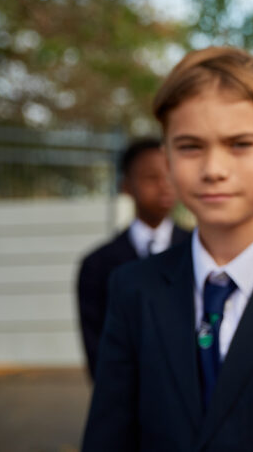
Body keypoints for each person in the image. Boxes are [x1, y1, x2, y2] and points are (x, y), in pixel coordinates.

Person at [82, 47, 253, 451]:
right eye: (190, 146)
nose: (213, 168)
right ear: (167, 160)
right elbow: (109, 436)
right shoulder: (133, 288)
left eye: (239, 144)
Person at [76, 137, 188, 379]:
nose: (164, 185)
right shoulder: (97, 264)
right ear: (125, 185)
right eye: (151, 177)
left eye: (170, 174)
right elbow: (95, 343)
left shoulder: (201, 250)